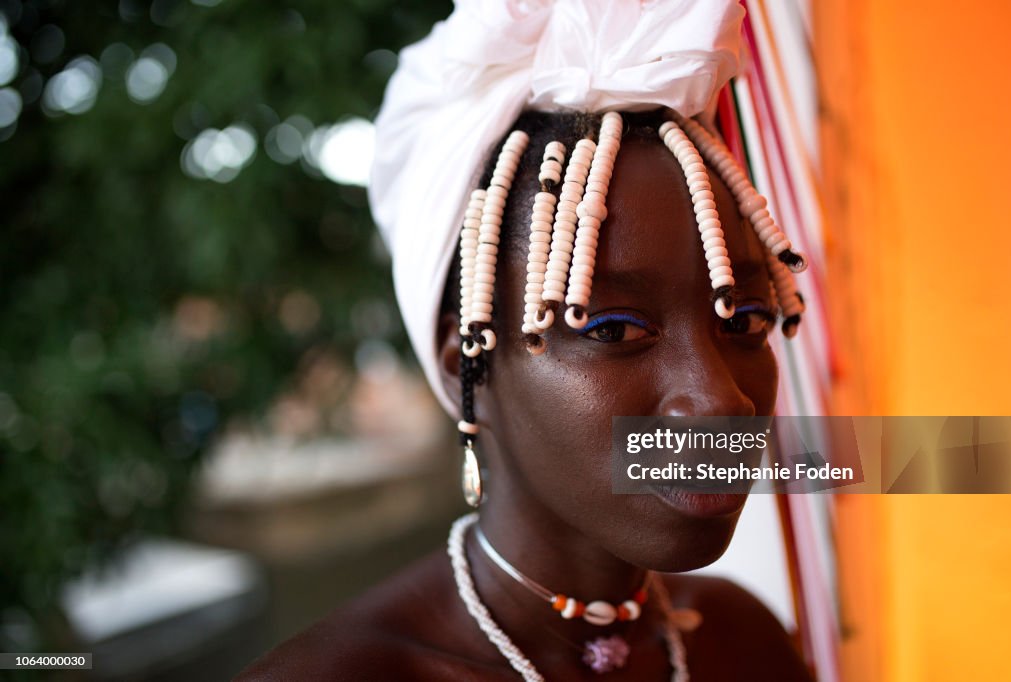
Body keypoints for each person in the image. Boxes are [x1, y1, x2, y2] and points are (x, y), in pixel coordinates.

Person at [239, 1, 812, 679]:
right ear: (466, 369)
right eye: (613, 329)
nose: (723, 400)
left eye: (744, 319)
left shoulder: (743, 641)